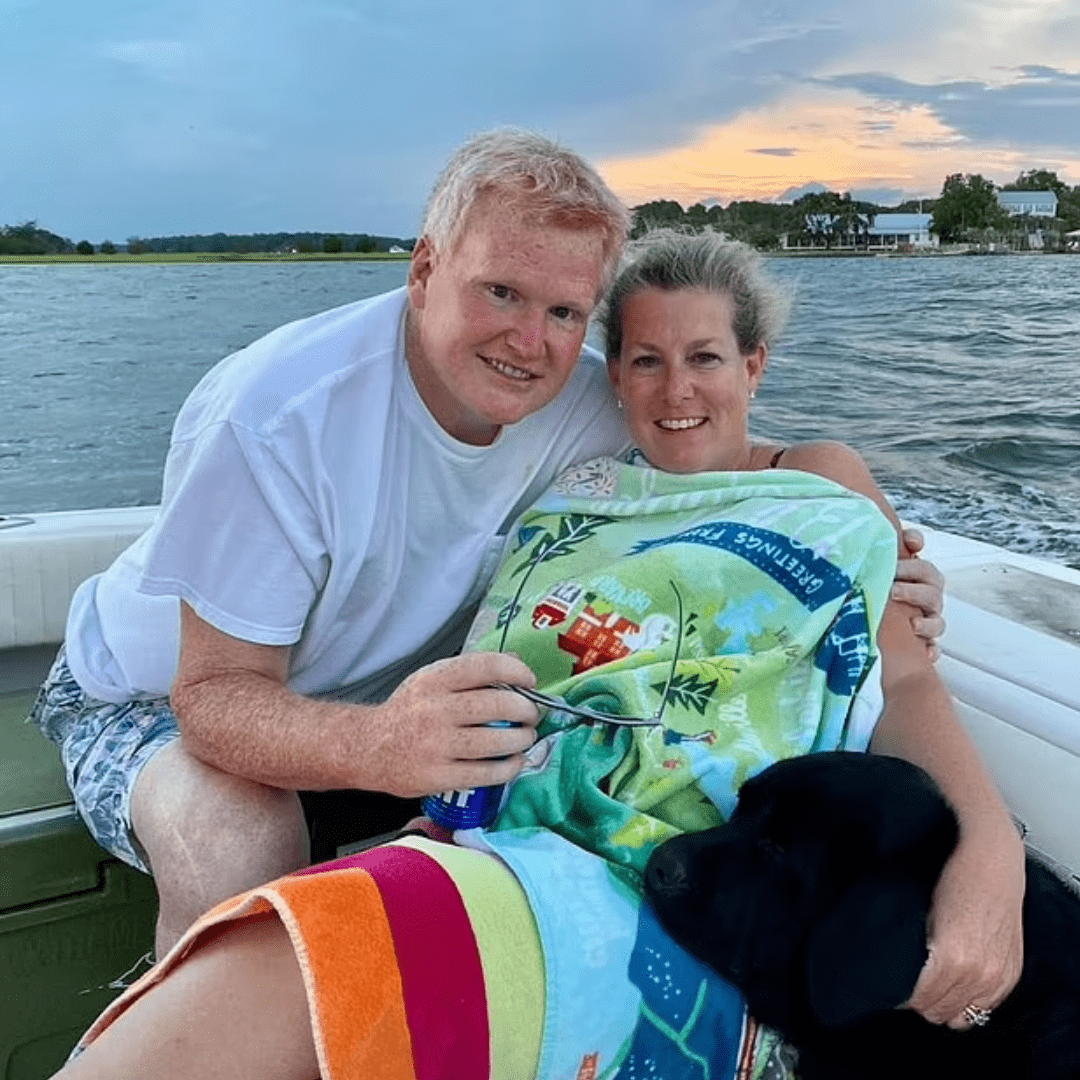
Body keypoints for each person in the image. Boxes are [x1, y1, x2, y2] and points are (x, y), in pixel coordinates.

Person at [51, 231, 1018, 1080]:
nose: (675, 390)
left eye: (706, 358)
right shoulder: (586, 476)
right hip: (502, 812)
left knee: (310, 954)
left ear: (756, 366)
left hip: (689, 849)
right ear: (610, 374)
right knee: (280, 923)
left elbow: (903, 674)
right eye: (643, 360)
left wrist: (993, 854)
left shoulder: (822, 486)